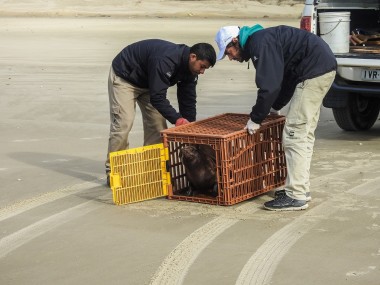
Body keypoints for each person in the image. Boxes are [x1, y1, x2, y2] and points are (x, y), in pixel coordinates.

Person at [215, 25, 337, 211]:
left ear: (235, 41)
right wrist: (274, 107)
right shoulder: (262, 39)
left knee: (295, 134)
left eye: (228, 52)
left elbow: (269, 87)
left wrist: (256, 118)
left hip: (313, 71)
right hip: (319, 67)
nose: (230, 57)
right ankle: (300, 189)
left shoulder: (259, 43)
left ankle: (296, 195)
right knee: (303, 134)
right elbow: (284, 79)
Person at [105, 40, 216, 187]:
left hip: (149, 83)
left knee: (158, 127)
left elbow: (187, 100)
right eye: (202, 67)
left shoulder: (191, 70)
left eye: (205, 69)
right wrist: (177, 119)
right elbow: (158, 98)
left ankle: (152, 170)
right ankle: (113, 172)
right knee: (123, 124)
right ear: (193, 57)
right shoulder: (166, 60)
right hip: (125, 77)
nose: (202, 72)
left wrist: (189, 125)